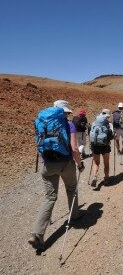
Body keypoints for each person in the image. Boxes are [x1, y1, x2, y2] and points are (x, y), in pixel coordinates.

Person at [28, 100, 85, 250]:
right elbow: (74, 149)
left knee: (50, 198)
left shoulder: (43, 121)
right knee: (71, 188)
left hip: (48, 165)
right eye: (66, 112)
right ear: (65, 112)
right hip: (66, 164)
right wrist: (79, 164)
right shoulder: (69, 125)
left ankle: (37, 233)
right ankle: (74, 216)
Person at [90, 109, 114, 185]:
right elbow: (111, 136)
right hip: (105, 146)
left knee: (96, 163)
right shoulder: (109, 124)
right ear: (107, 116)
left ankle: (94, 176)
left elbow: (90, 133)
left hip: (95, 145)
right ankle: (106, 179)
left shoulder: (94, 123)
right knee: (106, 163)